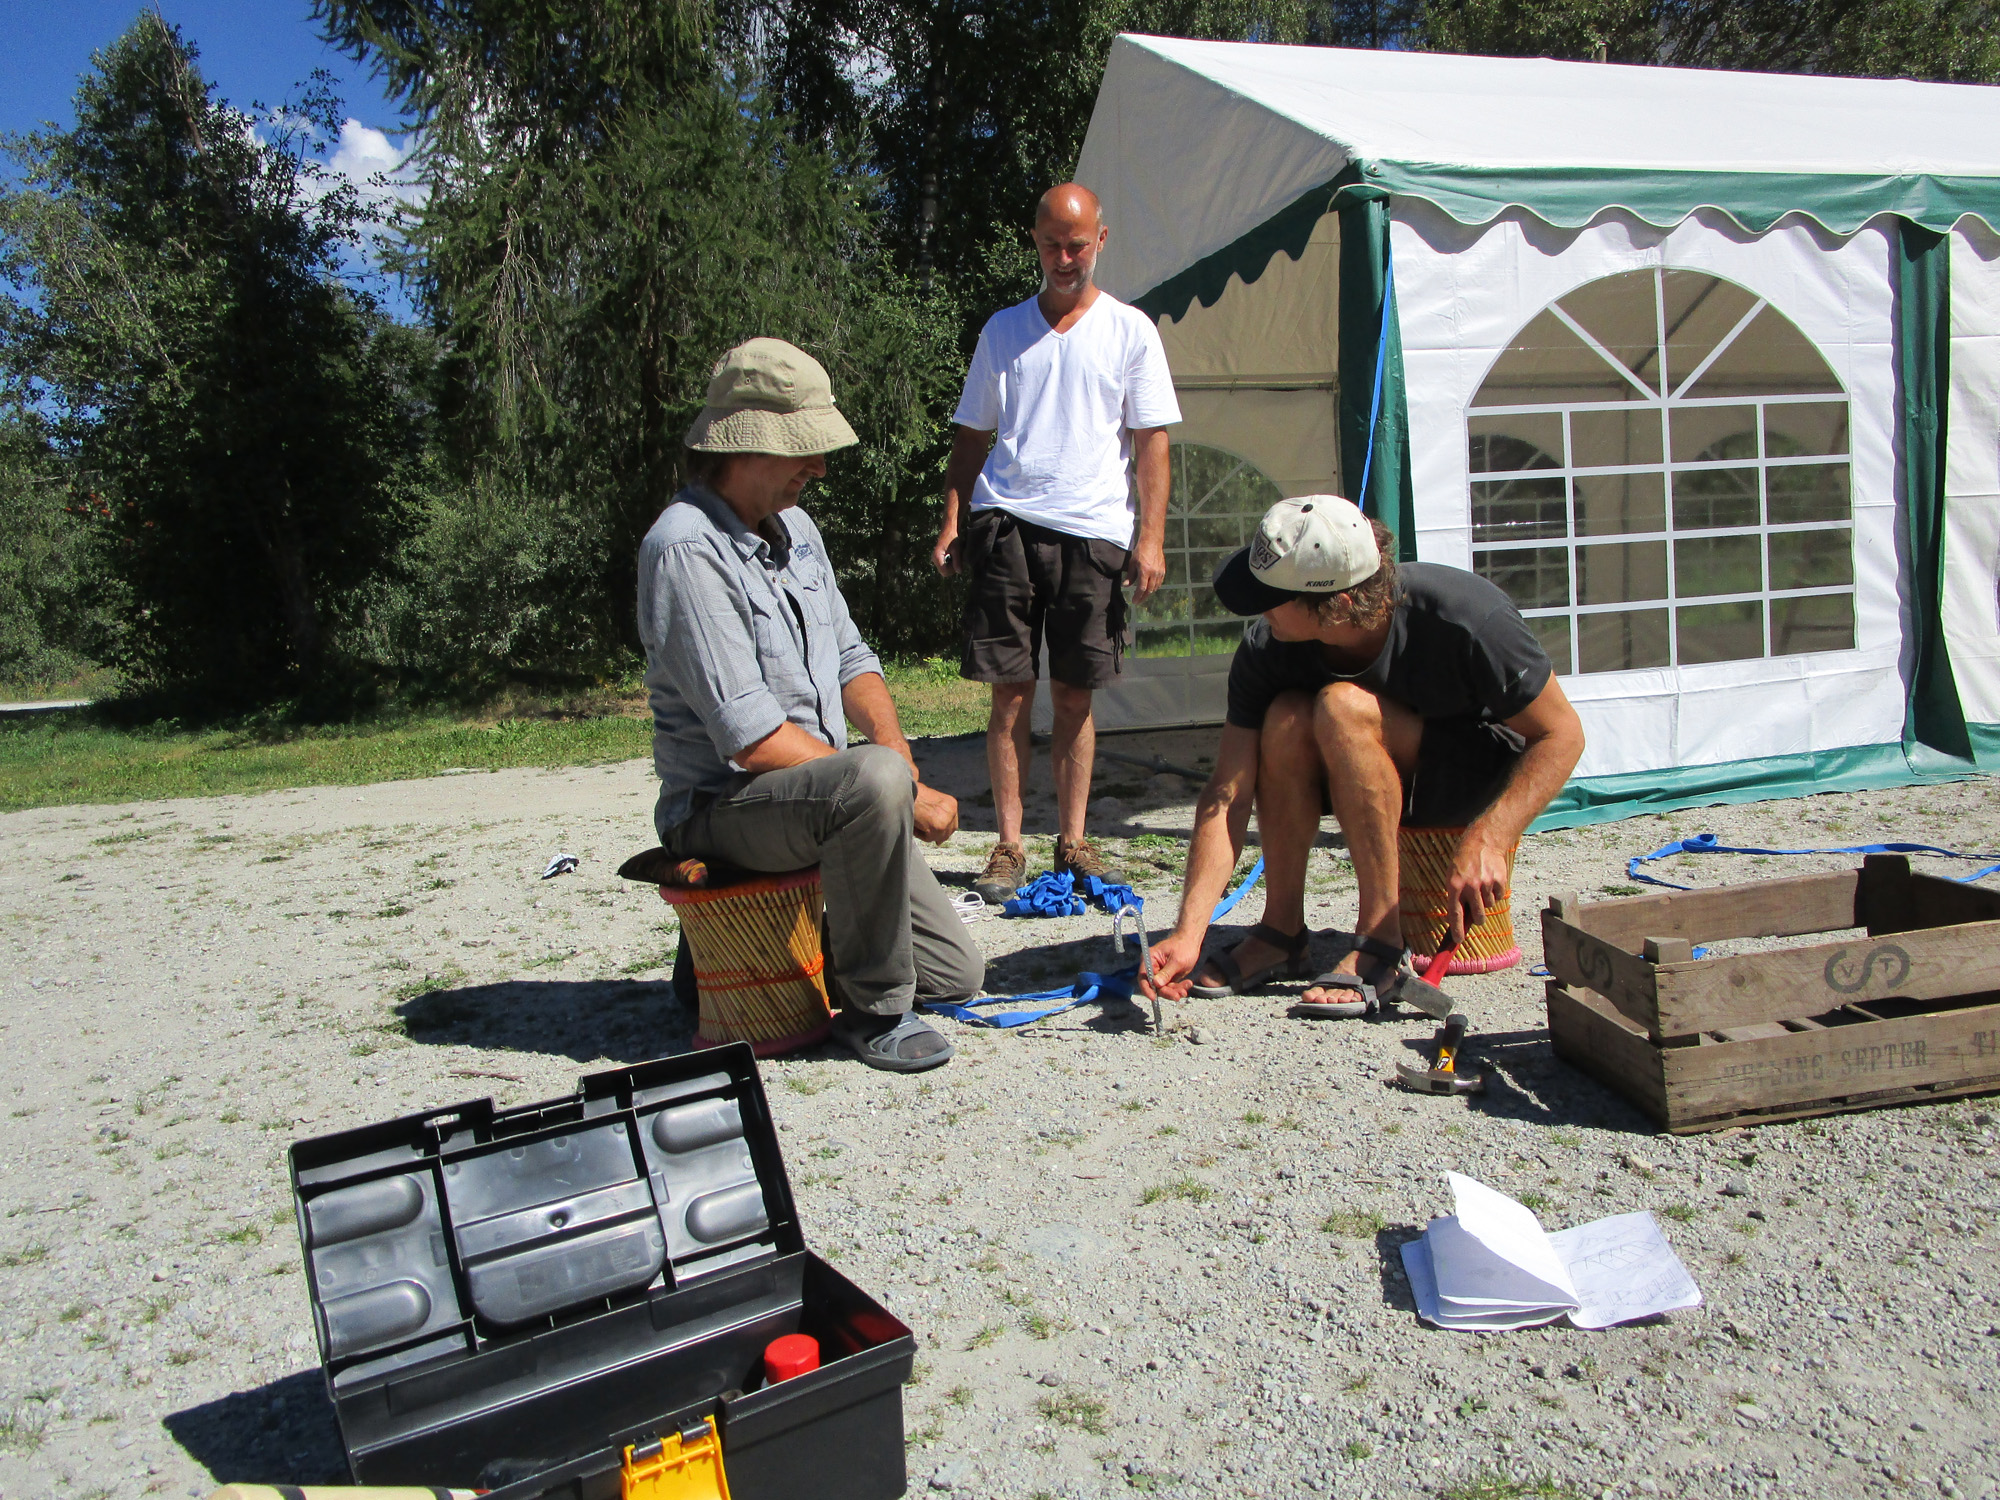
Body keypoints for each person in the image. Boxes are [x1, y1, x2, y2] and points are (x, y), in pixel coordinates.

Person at [638, 337, 983, 1073]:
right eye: (804, 449)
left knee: (956, 974)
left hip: (817, 799)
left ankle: (725, 959)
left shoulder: (798, 532)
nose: (820, 467)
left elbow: (854, 659)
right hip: (721, 806)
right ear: (746, 445)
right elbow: (752, 740)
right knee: (872, 786)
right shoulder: (684, 549)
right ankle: (873, 1015)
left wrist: (896, 757)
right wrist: (898, 789)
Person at [1139, 494, 1585, 1014]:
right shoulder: (1269, 646)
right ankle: (1282, 931)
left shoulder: (1466, 614)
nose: (1259, 610)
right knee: (1285, 716)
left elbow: (1563, 735)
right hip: (1362, 767)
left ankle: (1380, 937)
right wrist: (1189, 932)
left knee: (1340, 705)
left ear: (1339, 605)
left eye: (1271, 596)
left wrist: (1492, 835)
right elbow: (1227, 792)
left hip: (1471, 775)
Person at [931, 181, 1181, 905]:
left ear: (1101, 240)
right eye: (1051, 243)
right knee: (1009, 695)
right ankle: (1008, 848)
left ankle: (1072, 842)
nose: (1064, 257)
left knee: (1075, 694)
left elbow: (1151, 442)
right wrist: (952, 518)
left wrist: (1151, 539)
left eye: (1077, 243)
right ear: (1035, 242)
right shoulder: (1002, 331)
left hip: (1095, 534)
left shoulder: (1131, 331)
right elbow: (970, 436)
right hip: (1005, 525)